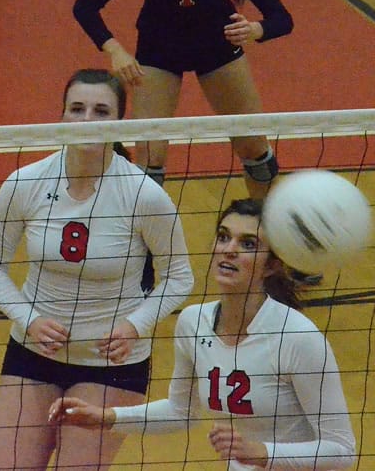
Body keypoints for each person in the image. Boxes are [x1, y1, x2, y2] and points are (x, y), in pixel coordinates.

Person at [0, 68, 195, 470]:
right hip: (33, 353)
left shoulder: (144, 195)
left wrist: (135, 325)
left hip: (110, 364)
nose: (87, 120)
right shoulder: (25, 183)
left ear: (119, 123)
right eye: (77, 109)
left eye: (100, 110)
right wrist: (30, 319)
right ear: (61, 116)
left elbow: (180, 277)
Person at [51, 198, 357, 469]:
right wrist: (106, 418)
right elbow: (181, 411)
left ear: (271, 266)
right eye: (224, 237)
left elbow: (342, 451)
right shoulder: (193, 322)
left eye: (248, 244)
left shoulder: (297, 337)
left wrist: (261, 452)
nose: (229, 250)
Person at [73, 0, 293, 202]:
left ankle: (269, 237)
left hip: (216, 48)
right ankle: (142, 250)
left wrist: (255, 30)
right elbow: (86, 5)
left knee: (254, 149)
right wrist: (115, 49)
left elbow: (282, 18)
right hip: (159, 50)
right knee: (150, 160)